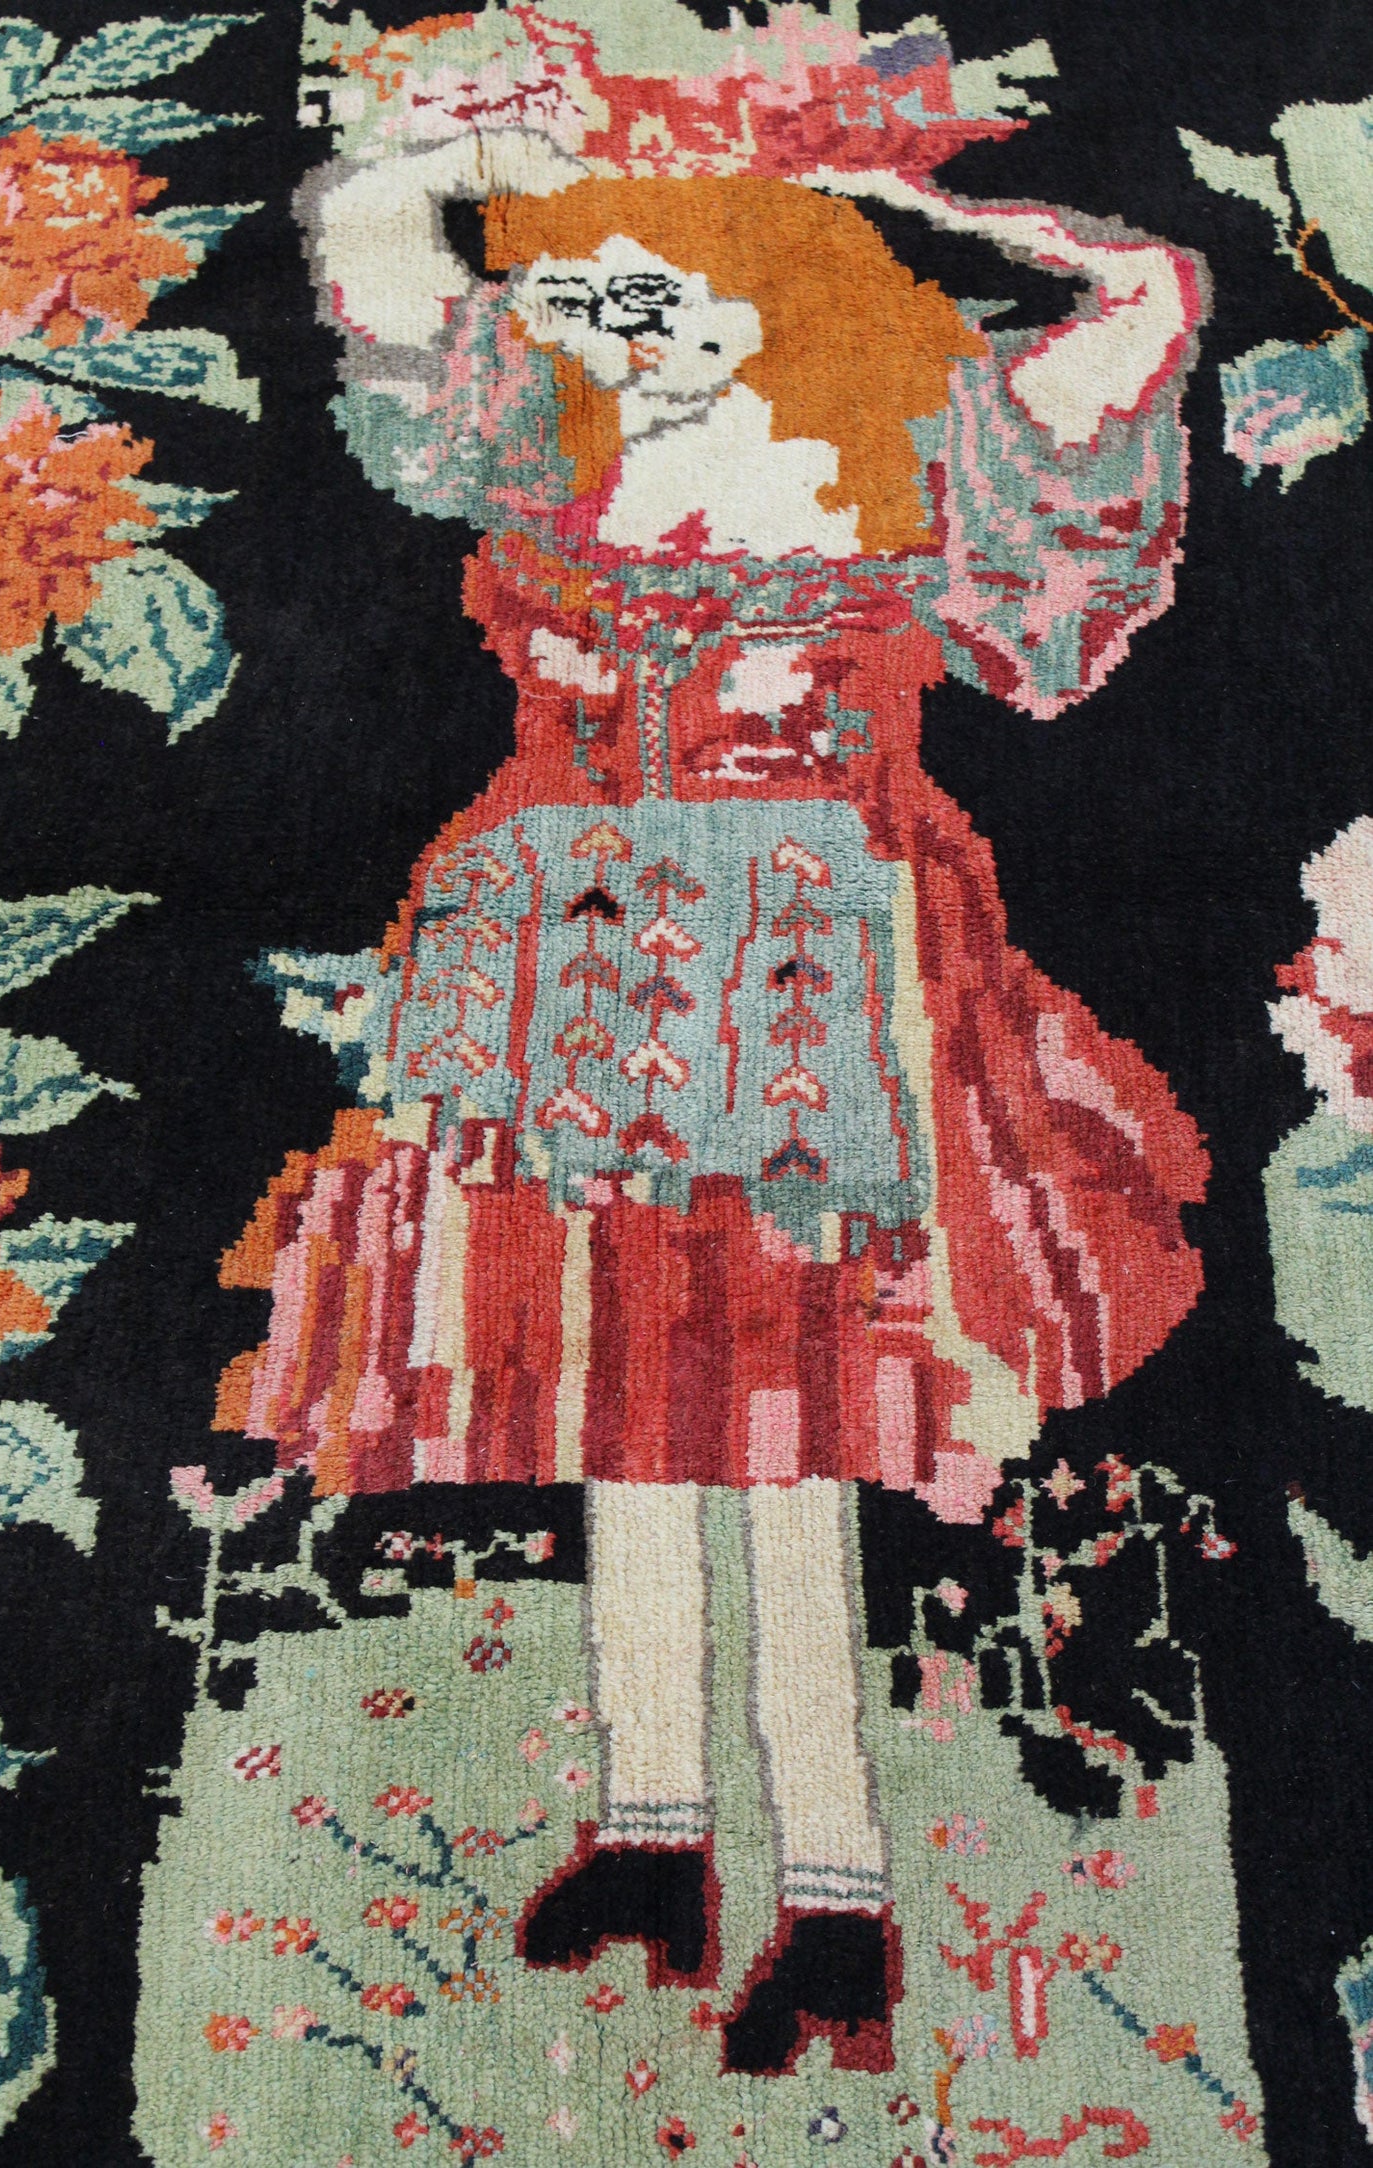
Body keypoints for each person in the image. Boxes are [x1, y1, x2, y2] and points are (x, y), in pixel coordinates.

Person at [217, 7, 1209, 2076]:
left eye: (647, 294)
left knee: (790, 1432)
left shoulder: (909, 465)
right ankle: (654, 1836)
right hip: (564, 987)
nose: (609, 333)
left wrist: (891, 190)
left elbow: (1130, 317)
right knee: (614, 1407)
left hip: (810, 998)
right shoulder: (551, 459)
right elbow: (389, 287)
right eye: (581, 294)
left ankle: (835, 1895)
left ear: (771, 287)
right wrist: (443, 149)